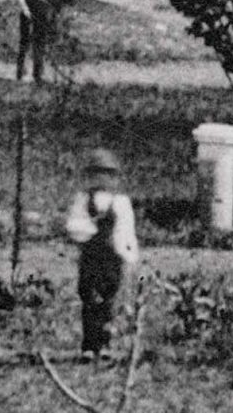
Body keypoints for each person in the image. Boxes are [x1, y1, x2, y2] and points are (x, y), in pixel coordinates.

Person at [63, 147, 138, 357]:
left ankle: (104, 343)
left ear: (114, 178)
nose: (101, 179)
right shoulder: (83, 200)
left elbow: (126, 230)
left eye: (106, 174)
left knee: (108, 298)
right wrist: (88, 228)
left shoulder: (120, 203)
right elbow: (74, 225)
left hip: (111, 258)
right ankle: (89, 345)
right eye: (96, 174)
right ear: (89, 177)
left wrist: (129, 254)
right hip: (90, 257)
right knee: (89, 298)